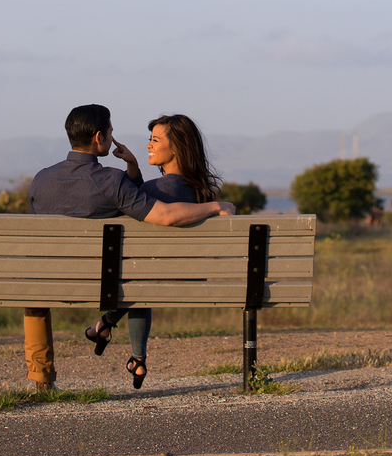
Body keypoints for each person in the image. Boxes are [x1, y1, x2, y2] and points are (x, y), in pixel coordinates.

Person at [26, 104, 235, 391]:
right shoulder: (113, 181)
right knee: (139, 274)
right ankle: (118, 337)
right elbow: (162, 214)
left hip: (49, 280)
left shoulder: (41, 179)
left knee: (34, 296)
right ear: (99, 137)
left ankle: (41, 379)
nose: (113, 139)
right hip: (104, 283)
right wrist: (215, 206)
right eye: (111, 133)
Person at [84, 114, 224, 387]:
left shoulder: (151, 191)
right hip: (191, 279)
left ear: (177, 149)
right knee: (144, 276)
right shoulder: (203, 195)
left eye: (155, 140)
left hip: (150, 280)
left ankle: (107, 328)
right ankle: (126, 349)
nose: (149, 145)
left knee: (140, 279)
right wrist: (134, 166)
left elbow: (131, 201)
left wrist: (131, 173)